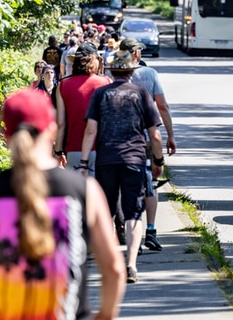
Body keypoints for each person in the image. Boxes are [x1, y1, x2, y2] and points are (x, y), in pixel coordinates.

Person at [0, 89, 126, 319]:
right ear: (52, 130)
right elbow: (113, 269)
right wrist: (105, 315)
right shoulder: (85, 190)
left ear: (5, 135)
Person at [79, 50, 164, 283]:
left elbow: (90, 130)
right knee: (133, 214)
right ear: (131, 71)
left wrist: (85, 162)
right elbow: (154, 134)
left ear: (111, 71)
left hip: (107, 161)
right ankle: (131, 265)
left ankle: (110, 263)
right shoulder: (141, 94)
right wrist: (158, 161)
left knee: (105, 213)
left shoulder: (99, 95)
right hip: (135, 161)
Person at [120, 37, 177, 251]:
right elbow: (162, 106)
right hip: (148, 136)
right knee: (151, 184)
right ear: (136, 53)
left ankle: (128, 233)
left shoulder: (112, 74)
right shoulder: (150, 74)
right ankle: (151, 231)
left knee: (125, 185)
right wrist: (170, 135)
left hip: (121, 138)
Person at [55, 42, 111, 174]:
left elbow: (61, 124)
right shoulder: (105, 82)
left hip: (74, 149)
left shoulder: (63, 85)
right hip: (101, 149)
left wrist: (58, 151)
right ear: (94, 61)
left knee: (75, 193)